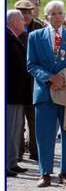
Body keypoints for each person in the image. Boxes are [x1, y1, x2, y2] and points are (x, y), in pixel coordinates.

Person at [26, 0, 66, 187]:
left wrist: (64, 77)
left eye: (60, 13)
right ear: (46, 17)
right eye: (53, 13)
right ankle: (45, 173)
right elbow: (31, 64)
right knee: (44, 134)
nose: (58, 16)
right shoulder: (35, 37)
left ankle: (65, 172)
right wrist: (50, 78)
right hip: (45, 91)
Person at [16, 0, 45, 162]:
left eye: (28, 12)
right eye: (23, 13)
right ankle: (18, 151)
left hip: (34, 80)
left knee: (34, 119)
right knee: (17, 121)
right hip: (17, 81)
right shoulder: (10, 27)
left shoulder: (39, 27)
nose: (26, 16)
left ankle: (35, 150)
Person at [6, 10, 31, 177]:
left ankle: (12, 161)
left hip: (18, 93)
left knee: (15, 130)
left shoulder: (15, 37)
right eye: (22, 20)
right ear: (14, 22)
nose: (24, 22)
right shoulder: (6, 38)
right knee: (8, 129)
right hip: (9, 93)